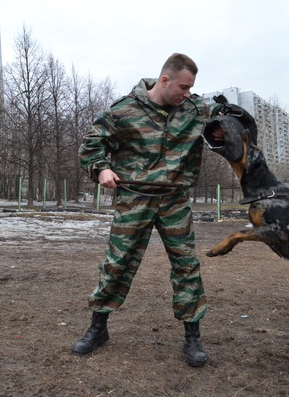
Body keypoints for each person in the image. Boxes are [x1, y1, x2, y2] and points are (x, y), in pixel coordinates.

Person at [73, 53, 222, 367]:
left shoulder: (195, 109)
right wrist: (101, 170)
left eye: (191, 88)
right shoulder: (125, 110)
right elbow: (91, 143)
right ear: (164, 80)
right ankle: (98, 328)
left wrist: (226, 130)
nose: (187, 93)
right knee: (117, 263)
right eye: (183, 86)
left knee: (186, 266)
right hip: (134, 199)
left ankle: (192, 337)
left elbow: (229, 120)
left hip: (175, 201)